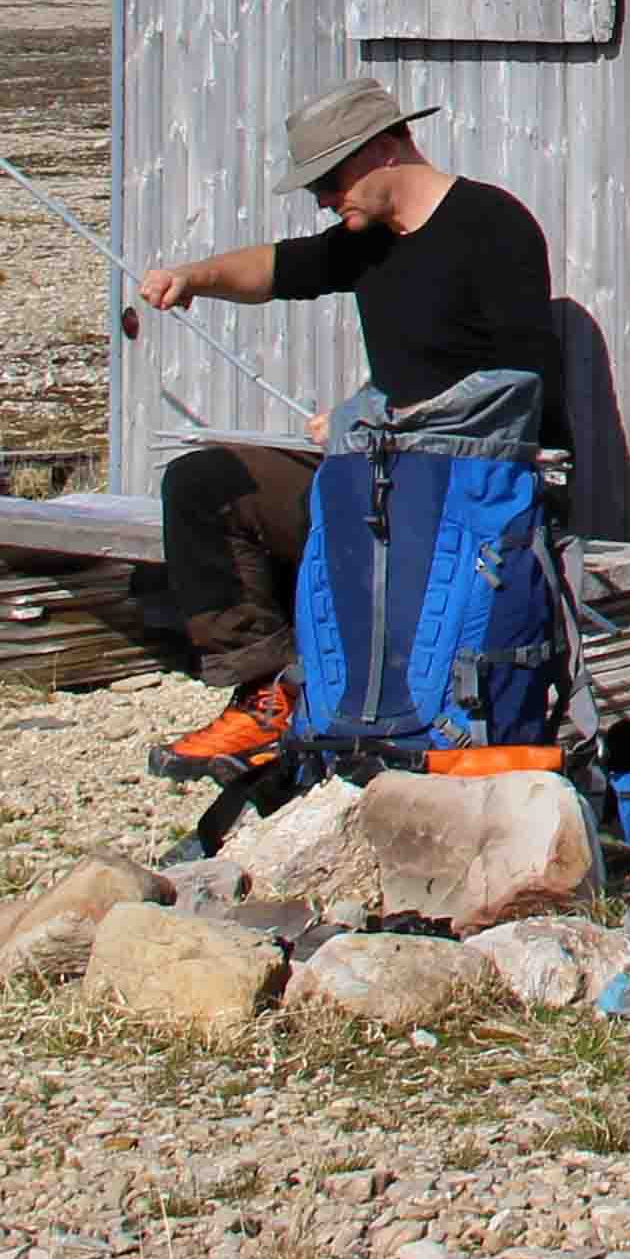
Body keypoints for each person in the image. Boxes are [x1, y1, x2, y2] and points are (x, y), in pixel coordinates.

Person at [128, 74, 561, 776]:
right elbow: (276, 268)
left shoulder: (494, 227)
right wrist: (193, 277)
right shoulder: (366, 240)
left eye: (330, 180)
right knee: (206, 482)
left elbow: (520, 386)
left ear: (386, 150)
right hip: (369, 475)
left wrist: (375, 422)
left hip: (460, 501)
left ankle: (426, 713)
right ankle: (268, 695)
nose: (325, 200)